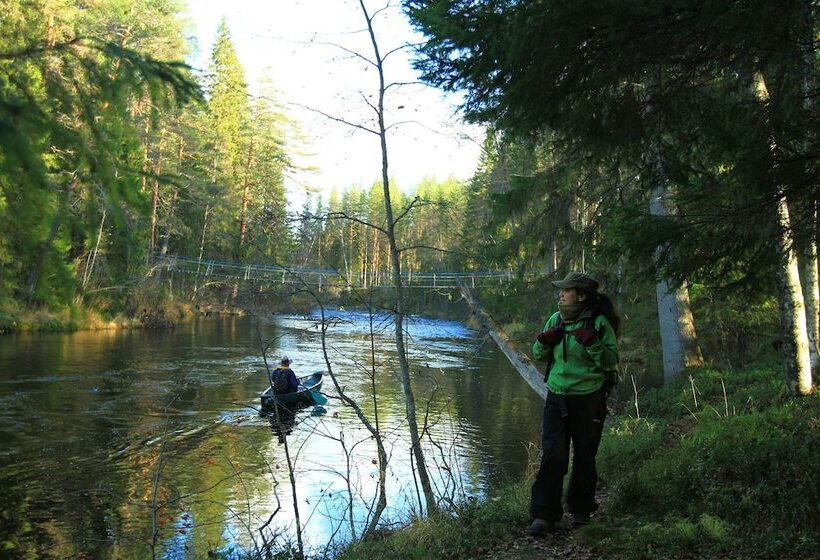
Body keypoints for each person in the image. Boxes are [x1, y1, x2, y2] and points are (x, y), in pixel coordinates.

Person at [528, 271, 620, 536]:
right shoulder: (556, 318)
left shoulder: (600, 323)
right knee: (553, 456)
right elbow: (537, 353)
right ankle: (545, 515)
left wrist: (591, 343)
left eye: (566, 290)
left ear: (580, 295)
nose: (561, 293)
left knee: (584, 456)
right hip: (556, 398)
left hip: (588, 399)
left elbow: (610, 361)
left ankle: (581, 511)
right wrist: (544, 341)